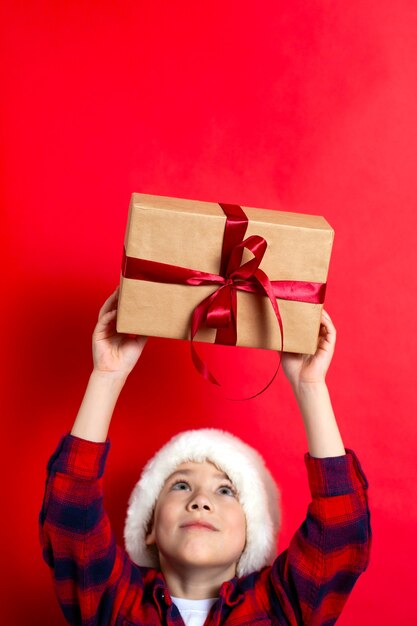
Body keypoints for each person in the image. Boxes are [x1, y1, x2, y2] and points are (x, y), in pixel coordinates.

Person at [40, 288, 371, 626]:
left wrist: (310, 386)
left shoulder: (282, 606)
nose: (200, 501)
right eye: (181, 486)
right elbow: (71, 515)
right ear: (149, 526)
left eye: (225, 490)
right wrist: (107, 377)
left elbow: (340, 532)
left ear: (250, 534)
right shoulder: (114, 605)